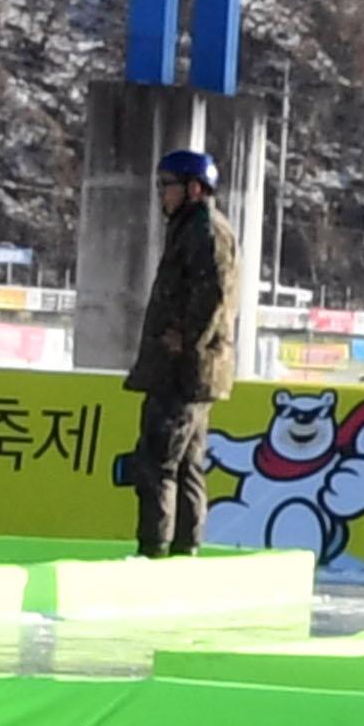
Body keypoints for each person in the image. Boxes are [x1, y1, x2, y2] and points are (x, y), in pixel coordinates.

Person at [125, 148, 234, 557]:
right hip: (188, 369)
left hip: (184, 370)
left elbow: (214, 295)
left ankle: (154, 550)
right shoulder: (191, 227)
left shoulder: (205, 230)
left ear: (193, 188)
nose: (161, 195)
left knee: (157, 463)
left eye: (166, 185)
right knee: (187, 464)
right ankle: (184, 548)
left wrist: (187, 340)